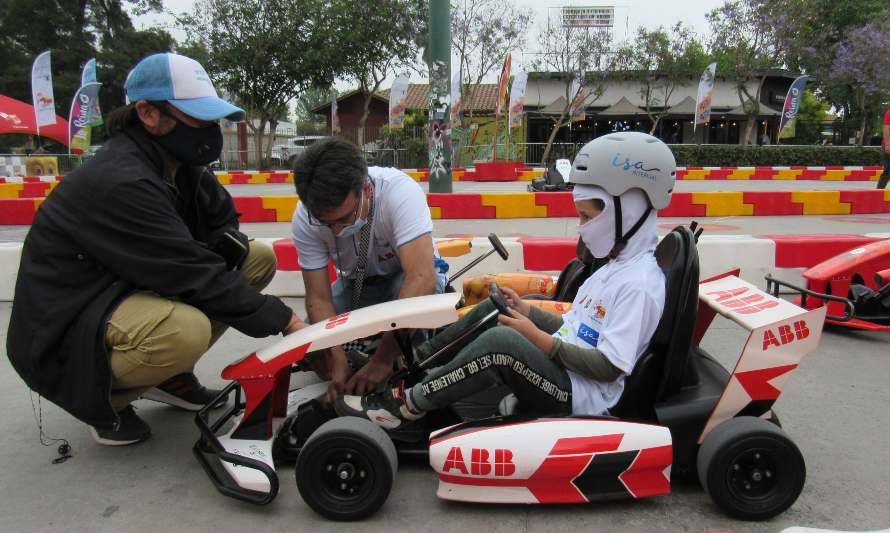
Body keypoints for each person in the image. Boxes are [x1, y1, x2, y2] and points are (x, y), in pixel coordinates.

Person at [6, 53, 306, 447]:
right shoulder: (121, 182)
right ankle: (100, 400)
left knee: (254, 258)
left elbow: (221, 226)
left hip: (121, 287)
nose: (210, 131)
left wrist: (220, 245)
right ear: (148, 113)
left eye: (211, 119)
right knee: (183, 331)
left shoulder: (181, 166)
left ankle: (169, 378)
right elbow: (192, 274)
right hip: (69, 322)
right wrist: (291, 325)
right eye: (197, 118)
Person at [335, 132, 674, 428]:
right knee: (494, 310)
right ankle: (411, 367)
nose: (582, 226)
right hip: (566, 374)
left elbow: (608, 368)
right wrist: (526, 312)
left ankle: (405, 405)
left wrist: (535, 337)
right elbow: (575, 328)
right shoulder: (613, 268)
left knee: (504, 344)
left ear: (627, 210)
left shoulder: (639, 285)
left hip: (582, 397)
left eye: (586, 216)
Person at [291, 138, 447, 402]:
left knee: (406, 356)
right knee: (309, 345)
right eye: (326, 224)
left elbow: (421, 278)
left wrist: (382, 361)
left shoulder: (399, 192)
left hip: (405, 282)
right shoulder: (305, 218)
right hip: (357, 286)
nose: (337, 231)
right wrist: (336, 357)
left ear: (366, 190)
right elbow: (318, 298)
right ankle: (361, 351)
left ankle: (390, 350)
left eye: (344, 219)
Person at [878, 108, 890, 190]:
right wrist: (888, 144)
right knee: (888, 171)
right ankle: (879, 193)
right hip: (888, 146)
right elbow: (886, 128)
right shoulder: (889, 113)